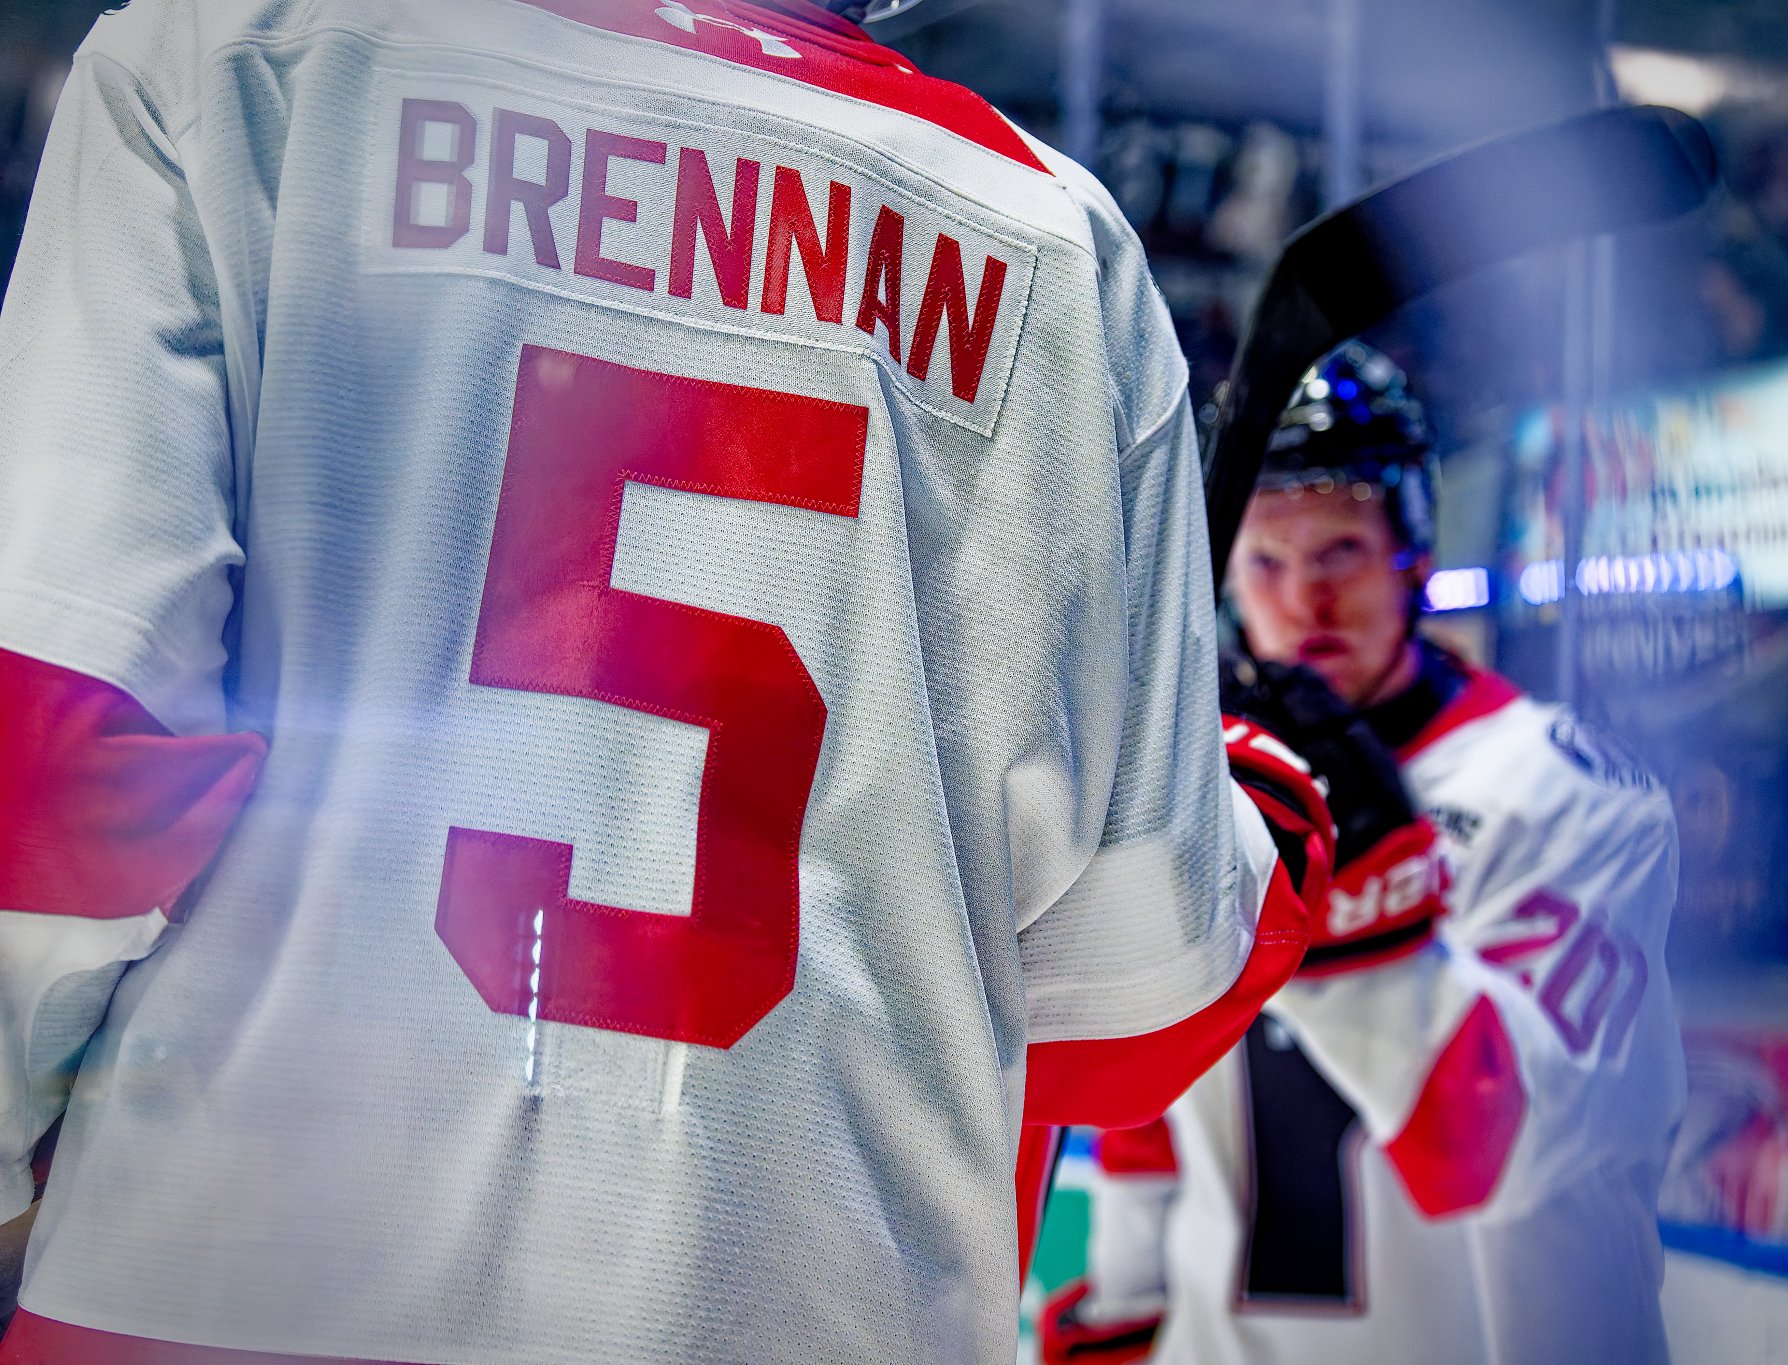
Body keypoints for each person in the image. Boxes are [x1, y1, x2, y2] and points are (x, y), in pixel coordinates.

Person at [0, 1, 1405, 1359]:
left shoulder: (233, 64)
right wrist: (1263, 809)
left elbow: (54, 762)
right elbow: (1128, 1011)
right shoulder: (1058, 245)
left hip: (220, 1299)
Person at [1040, 343, 1685, 1365]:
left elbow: (1488, 1150)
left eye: (1338, 549)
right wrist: (1124, 1305)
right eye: (1263, 559)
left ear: (1411, 548)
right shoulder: (1210, 786)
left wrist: (1361, 912)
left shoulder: (1566, 795)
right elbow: (1150, 1102)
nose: (1303, 597)